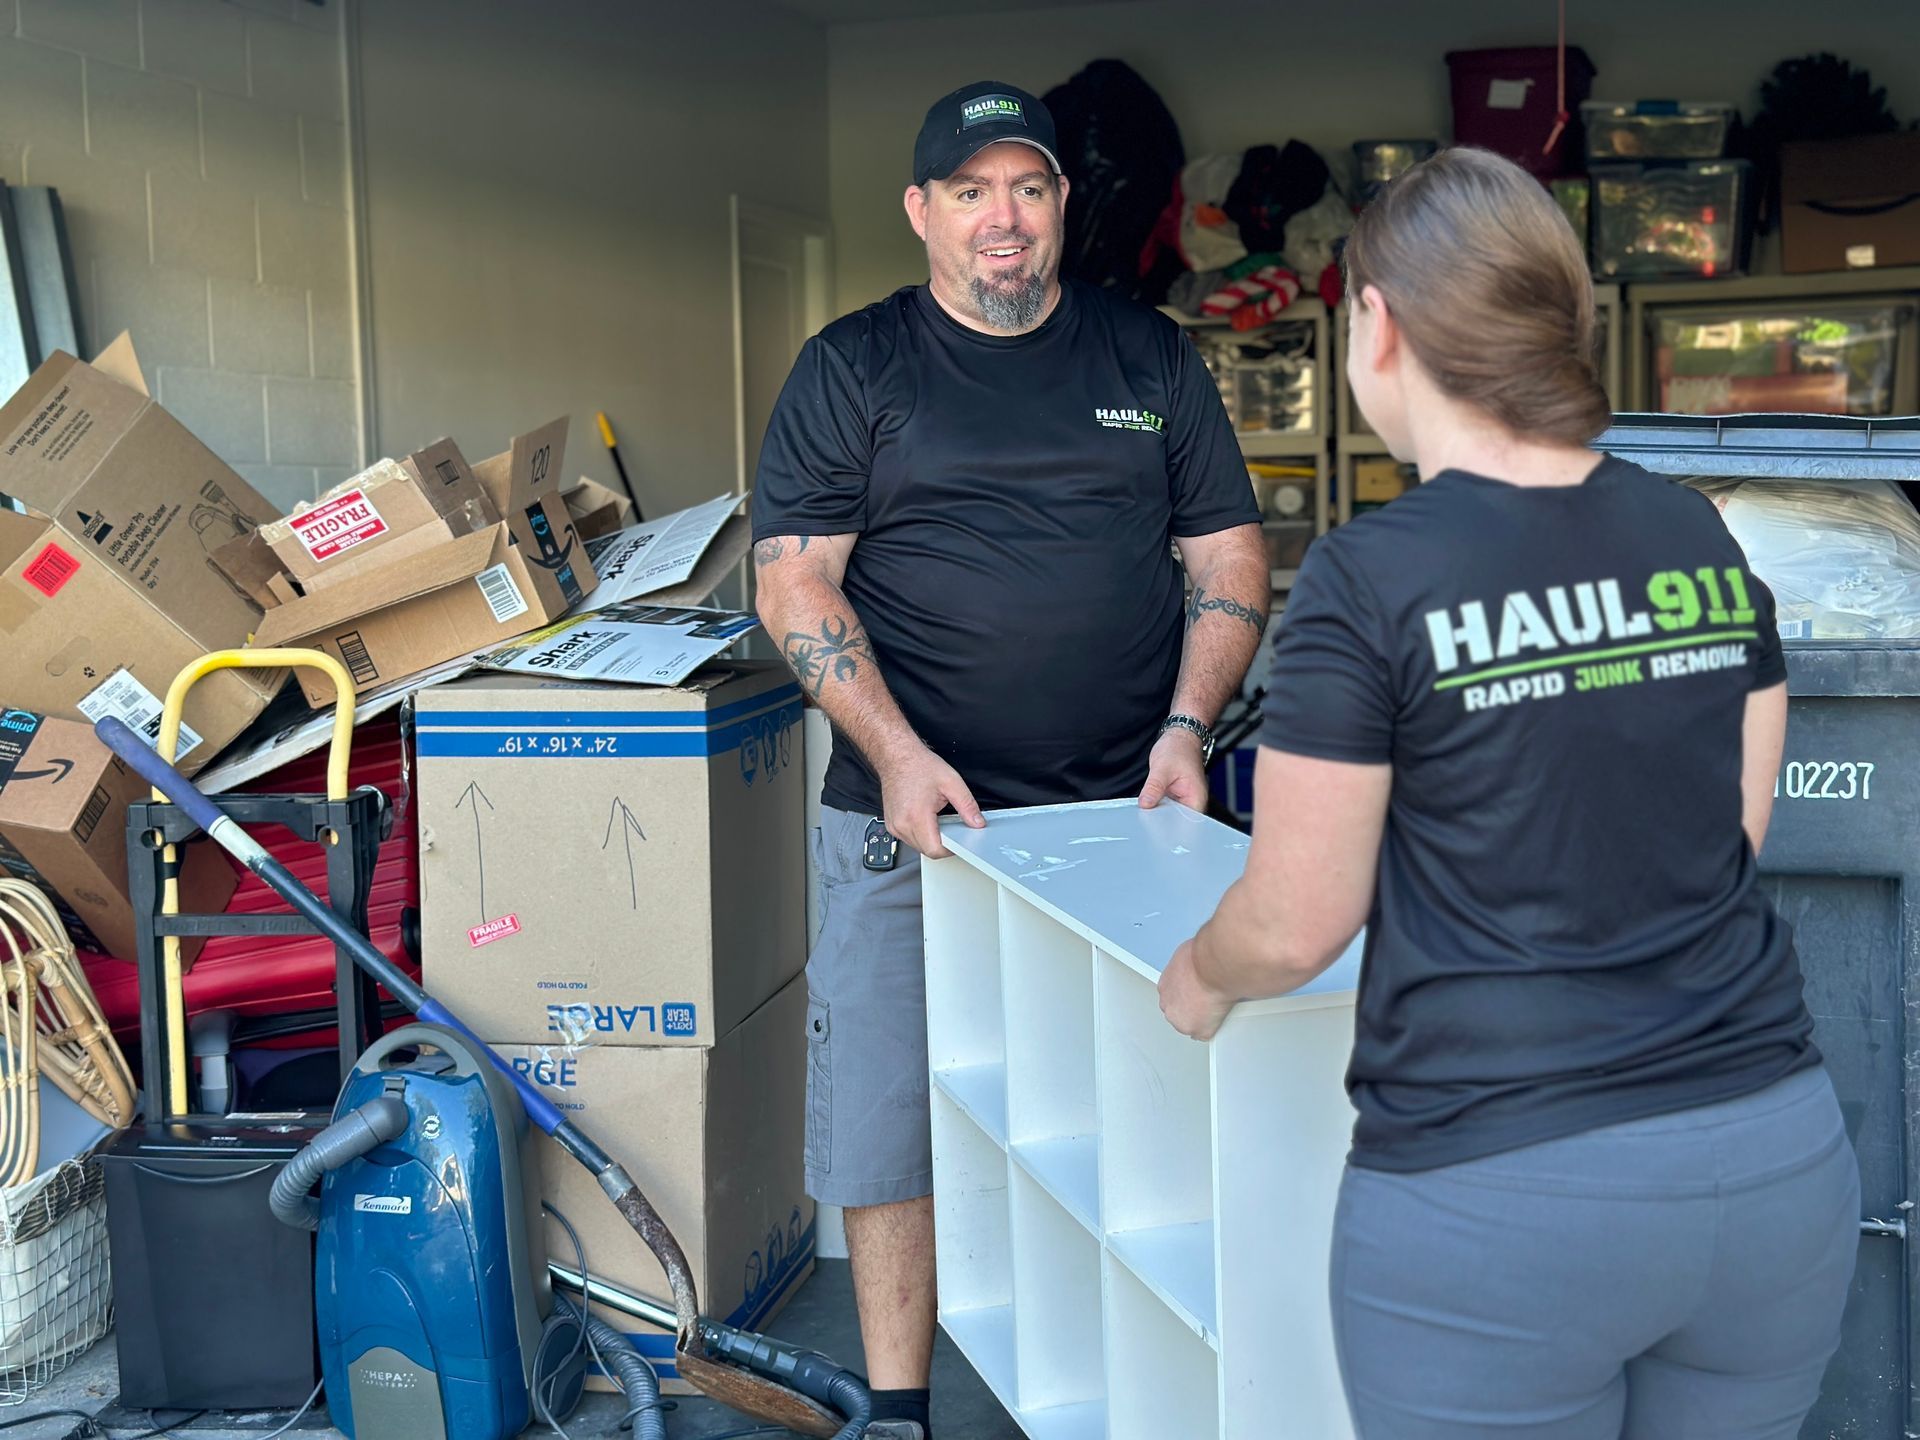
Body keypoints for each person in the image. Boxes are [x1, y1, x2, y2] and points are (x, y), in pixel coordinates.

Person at [1158, 146, 1859, 1440]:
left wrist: (1196, 974)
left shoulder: (1369, 583)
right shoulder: (1698, 535)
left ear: (1377, 325)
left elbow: (1300, 921)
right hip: (1769, 1165)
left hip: (1501, 1208)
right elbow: (1732, 836)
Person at [751, 80, 1268, 1440]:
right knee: (888, 1120)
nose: (1003, 218)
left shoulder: (1149, 360)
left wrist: (1184, 730)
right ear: (922, 211)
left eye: (1028, 189)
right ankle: (900, 1409)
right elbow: (796, 589)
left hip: (1123, 824)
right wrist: (905, 756)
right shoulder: (852, 366)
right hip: (908, 819)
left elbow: (1225, 559)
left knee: (1143, 1108)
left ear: (1062, 208)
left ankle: (1135, 1398)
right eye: (971, 191)